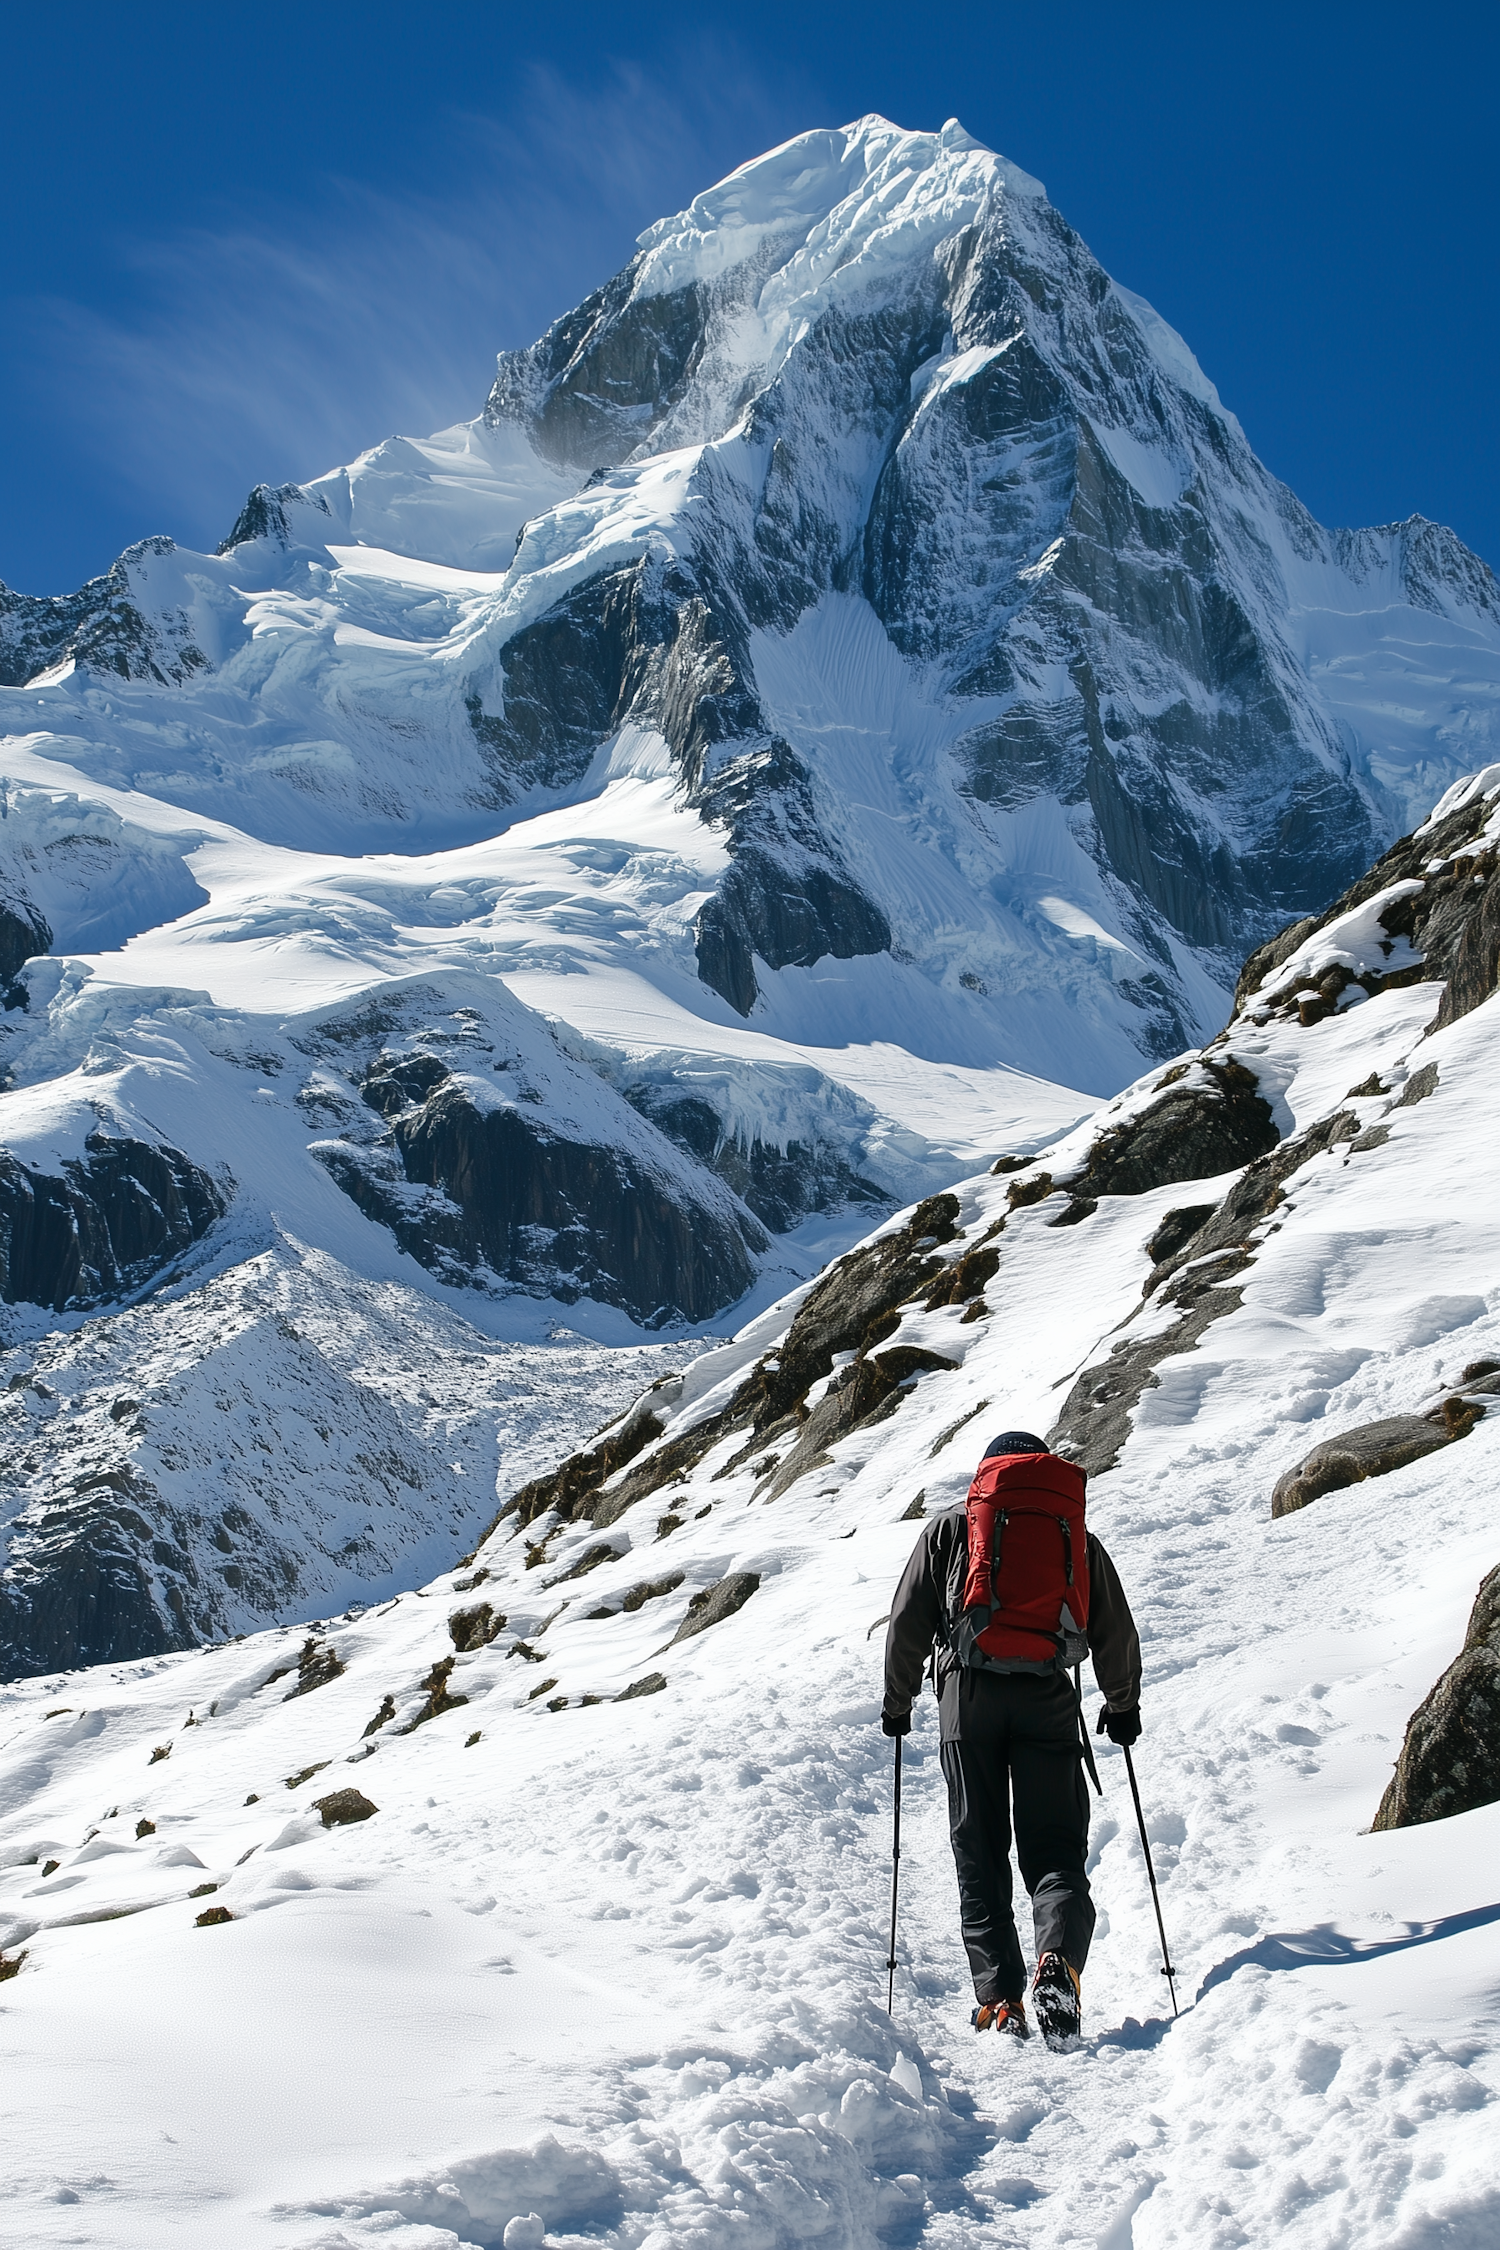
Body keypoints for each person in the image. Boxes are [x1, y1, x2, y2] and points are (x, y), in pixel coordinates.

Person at [882, 1428, 1141, 2044]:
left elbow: (908, 1621)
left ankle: (1000, 1999)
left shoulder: (951, 1529)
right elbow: (1114, 1627)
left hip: (966, 1704)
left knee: (980, 1849)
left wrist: (898, 1702)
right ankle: (1060, 1961)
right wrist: (1123, 1705)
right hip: (1049, 1699)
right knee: (1055, 1853)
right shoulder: (1070, 1533)